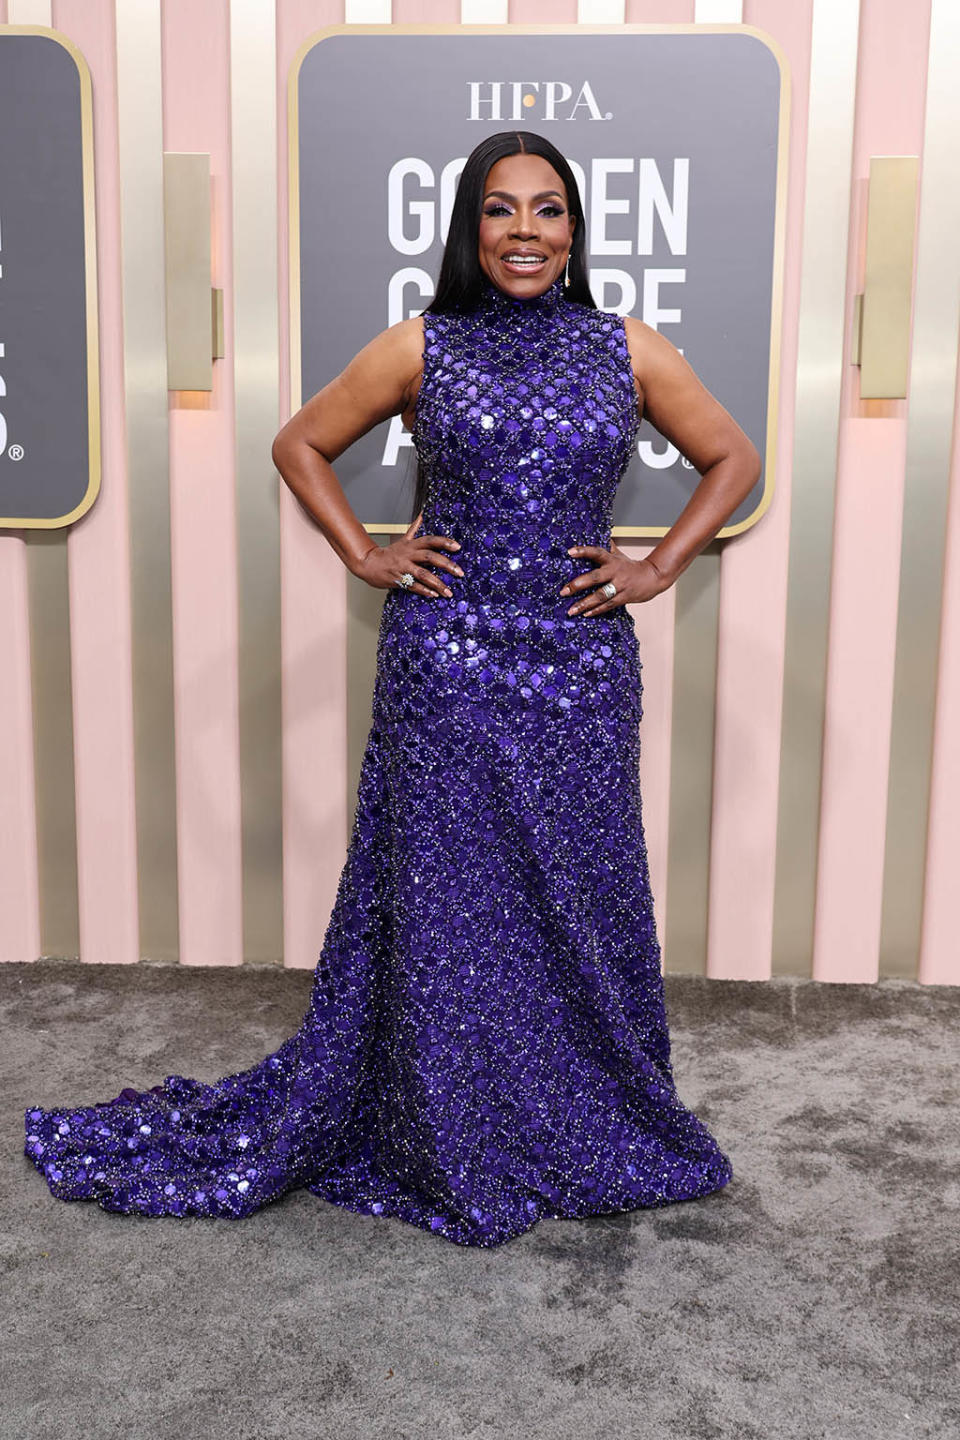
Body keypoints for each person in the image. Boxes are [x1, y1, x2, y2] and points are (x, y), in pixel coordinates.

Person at [23, 131, 760, 1248]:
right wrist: (365, 555)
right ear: (469, 228)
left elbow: (734, 459)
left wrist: (657, 567)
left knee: (574, 884)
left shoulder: (626, 347)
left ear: (575, 230)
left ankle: (579, 1112)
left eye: (549, 210)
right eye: (501, 210)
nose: (526, 232)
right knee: (451, 902)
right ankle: (448, 1122)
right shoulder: (425, 344)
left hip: (578, 664)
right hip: (446, 662)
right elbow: (299, 441)